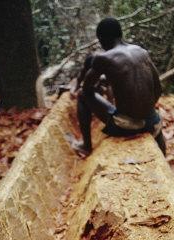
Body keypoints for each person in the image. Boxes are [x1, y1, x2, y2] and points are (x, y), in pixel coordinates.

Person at [71, 17, 166, 157]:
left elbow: (86, 88)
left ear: (101, 39)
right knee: (145, 114)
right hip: (154, 121)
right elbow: (158, 88)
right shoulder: (141, 51)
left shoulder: (103, 58)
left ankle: (86, 146)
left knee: (82, 96)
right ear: (121, 34)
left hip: (127, 126)